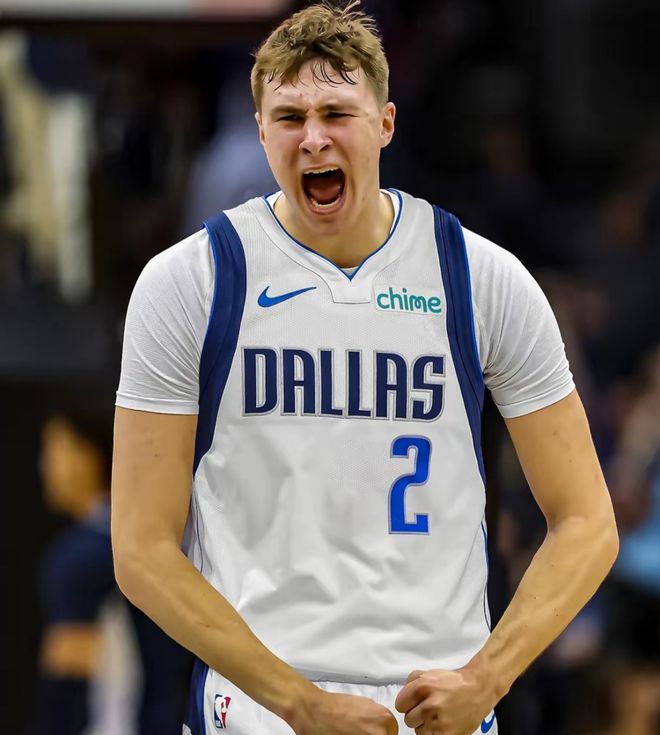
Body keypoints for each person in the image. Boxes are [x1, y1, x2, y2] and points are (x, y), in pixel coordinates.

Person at [111, 3, 619, 735]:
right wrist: (299, 701)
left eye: (336, 113)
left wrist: (488, 677)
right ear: (261, 132)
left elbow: (587, 521)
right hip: (262, 707)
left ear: (384, 123)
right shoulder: (192, 281)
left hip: (435, 703)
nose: (313, 137)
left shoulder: (479, 278)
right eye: (290, 117)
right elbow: (140, 549)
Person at [35, 398, 190, 735]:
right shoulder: (153, 538)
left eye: (54, 450)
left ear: (87, 456)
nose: (44, 466)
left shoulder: (81, 555)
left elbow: (68, 676)